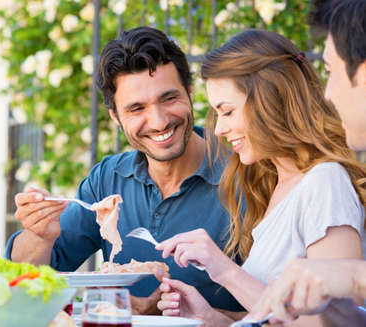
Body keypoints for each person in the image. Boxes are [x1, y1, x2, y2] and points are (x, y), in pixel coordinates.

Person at [6, 26, 243, 314]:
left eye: (169, 98)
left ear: (190, 93)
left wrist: (206, 316)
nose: (158, 121)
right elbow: (18, 281)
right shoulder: (107, 180)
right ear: (116, 117)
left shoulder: (246, 175)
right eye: (136, 109)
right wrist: (39, 236)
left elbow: (284, 312)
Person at [156, 29, 365, 326]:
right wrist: (212, 318)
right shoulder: (277, 186)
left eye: (227, 112)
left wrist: (226, 272)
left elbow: (334, 321)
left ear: (270, 100)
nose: (219, 130)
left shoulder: (325, 182)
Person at [246, 0, 366, 324]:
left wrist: (355, 278)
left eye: (330, 70)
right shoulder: (268, 188)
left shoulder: (325, 179)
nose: (327, 94)